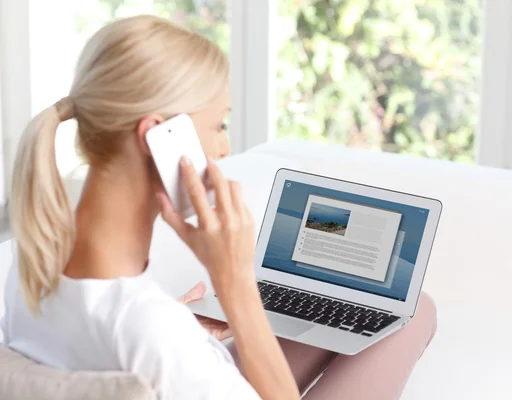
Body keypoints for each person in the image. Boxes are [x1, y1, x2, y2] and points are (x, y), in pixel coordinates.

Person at [1, 15, 437, 400]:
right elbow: (141, 335)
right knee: (416, 311)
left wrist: (183, 327)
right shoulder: (149, 327)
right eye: (218, 124)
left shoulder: (33, 256)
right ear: (158, 136)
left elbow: (105, 339)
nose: (225, 147)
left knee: (343, 313)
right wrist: (236, 287)